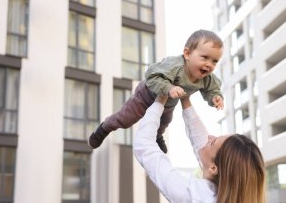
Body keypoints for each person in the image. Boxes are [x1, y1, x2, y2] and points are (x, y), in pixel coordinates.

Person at [133, 95, 272, 203]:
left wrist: (160, 99)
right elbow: (204, 148)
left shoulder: (192, 197)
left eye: (212, 142)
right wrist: (186, 100)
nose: (209, 137)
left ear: (213, 168)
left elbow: (144, 145)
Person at [88, 29, 224, 153]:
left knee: (165, 121)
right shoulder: (175, 66)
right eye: (205, 57)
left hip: (168, 105)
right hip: (146, 96)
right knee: (126, 119)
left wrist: (215, 98)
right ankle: (105, 128)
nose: (209, 64)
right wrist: (169, 88)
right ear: (187, 54)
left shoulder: (207, 78)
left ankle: (158, 136)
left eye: (214, 61)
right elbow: (151, 76)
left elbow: (212, 89)